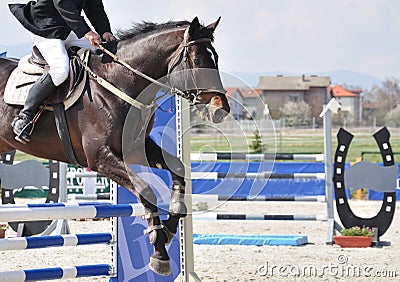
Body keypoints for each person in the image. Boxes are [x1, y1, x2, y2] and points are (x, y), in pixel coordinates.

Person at [9, 0, 116, 143]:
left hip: (68, 27)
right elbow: (63, 4)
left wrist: (105, 31)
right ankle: (25, 116)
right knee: (60, 70)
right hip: (45, 26)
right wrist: (86, 32)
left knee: (101, 53)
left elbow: (94, 7)